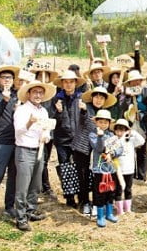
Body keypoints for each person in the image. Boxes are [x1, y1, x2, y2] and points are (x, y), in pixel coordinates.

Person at [13, 81, 56, 231]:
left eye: (40, 93)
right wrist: (29, 123)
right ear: (29, 94)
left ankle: (30, 211)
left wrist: (46, 137)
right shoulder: (22, 110)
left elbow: (47, 129)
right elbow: (18, 131)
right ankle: (20, 217)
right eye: (35, 92)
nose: (38, 95)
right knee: (22, 186)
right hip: (24, 150)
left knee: (36, 184)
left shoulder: (43, 111)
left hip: (39, 149)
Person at [71, 86, 117, 216]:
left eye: (101, 98)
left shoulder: (104, 113)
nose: (98, 100)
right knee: (83, 177)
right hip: (83, 148)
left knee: (98, 177)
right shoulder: (86, 108)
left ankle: (99, 203)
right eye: (96, 97)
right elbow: (83, 118)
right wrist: (84, 111)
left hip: (98, 149)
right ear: (92, 98)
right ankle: (85, 202)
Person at [51, 70, 85, 208]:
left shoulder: (81, 98)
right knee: (65, 167)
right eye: (66, 82)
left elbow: (87, 119)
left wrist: (84, 111)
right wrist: (58, 112)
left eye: (71, 82)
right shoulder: (56, 99)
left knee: (80, 168)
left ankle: (82, 197)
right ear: (62, 84)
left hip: (78, 138)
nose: (69, 84)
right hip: (62, 139)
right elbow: (52, 121)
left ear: (76, 83)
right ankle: (70, 197)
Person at [0, 65, 20, 217]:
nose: (7, 80)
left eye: (9, 77)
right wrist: (4, 100)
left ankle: (9, 206)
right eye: (4, 77)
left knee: (13, 175)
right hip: (2, 141)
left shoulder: (17, 94)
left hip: (17, 140)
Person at [31, 68, 59, 201]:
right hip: (34, 133)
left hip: (48, 132)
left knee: (45, 161)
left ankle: (44, 186)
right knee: (38, 160)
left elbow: (54, 113)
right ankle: (43, 187)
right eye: (40, 76)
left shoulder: (52, 95)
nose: (43, 78)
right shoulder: (32, 95)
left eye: (46, 76)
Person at [89, 110, 121, 227]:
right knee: (99, 193)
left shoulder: (112, 135)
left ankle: (109, 213)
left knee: (111, 191)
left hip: (110, 169)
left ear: (109, 123)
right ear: (96, 122)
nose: (102, 125)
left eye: (105, 122)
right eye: (100, 122)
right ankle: (100, 216)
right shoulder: (93, 135)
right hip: (99, 170)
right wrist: (100, 137)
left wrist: (111, 154)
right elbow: (98, 148)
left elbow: (119, 149)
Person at [109, 118, 145, 215]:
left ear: (126, 130)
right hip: (118, 170)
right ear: (115, 130)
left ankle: (128, 209)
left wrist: (133, 133)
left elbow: (142, 141)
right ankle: (119, 210)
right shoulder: (113, 140)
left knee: (128, 189)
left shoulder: (131, 140)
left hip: (129, 169)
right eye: (118, 129)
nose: (120, 132)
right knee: (118, 190)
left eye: (123, 129)